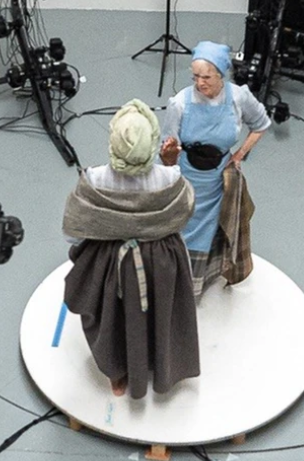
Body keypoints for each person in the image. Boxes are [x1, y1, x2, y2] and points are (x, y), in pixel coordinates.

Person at [62, 99, 199, 399]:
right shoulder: (169, 177)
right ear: (152, 145)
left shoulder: (95, 179)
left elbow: (74, 230)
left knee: (112, 317)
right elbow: (184, 214)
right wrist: (171, 164)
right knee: (161, 314)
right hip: (161, 263)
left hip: (111, 263)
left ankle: (118, 373)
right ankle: (160, 368)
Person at [160, 41, 271, 296]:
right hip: (187, 180)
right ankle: (174, 287)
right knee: (180, 232)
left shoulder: (239, 97)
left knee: (210, 233)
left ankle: (197, 285)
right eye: (195, 77)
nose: (200, 83)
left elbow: (261, 124)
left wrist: (240, 154)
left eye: (207, 77)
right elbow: (167, 150)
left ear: (221, 74)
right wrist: (168, 155)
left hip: (217, 182)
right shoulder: (180, 103)